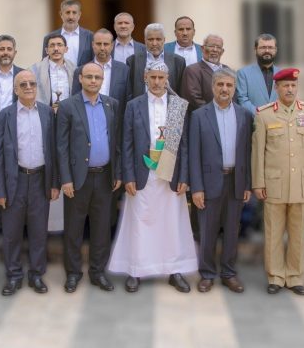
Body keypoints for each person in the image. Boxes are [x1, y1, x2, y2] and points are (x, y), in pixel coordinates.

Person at [108, 59, 197, 293]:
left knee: (172, 224)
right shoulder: (133, 105)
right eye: (153, 77)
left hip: (171, 174)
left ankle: (174, 270)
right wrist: (128, 176)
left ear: (167, 79)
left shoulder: (177, 106)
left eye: (161, 78)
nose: (157, 82)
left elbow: (185, 145)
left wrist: (185, 177)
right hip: (142, 174)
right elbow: (126, 142)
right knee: (140, 222)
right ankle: (136, 270)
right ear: (145, 78)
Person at [252, 68, 304, 295]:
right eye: (285, 86)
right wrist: (258, 183)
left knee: (298, 234)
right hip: (274, 184)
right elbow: (258, 152)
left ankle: (294, 277)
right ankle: (275, 276)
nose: (290, 89)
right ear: (277, 88)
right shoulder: (264, 114)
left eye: (293, 85)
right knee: (273, 233)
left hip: (301, 184)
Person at [0, 70, 58, 295]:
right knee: (11, 233)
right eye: (23, 84)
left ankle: (37, 275)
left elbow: (53, 150)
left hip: (40, 180)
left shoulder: (47, 113)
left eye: (32, 83)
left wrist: (54, 183)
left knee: (39, 232)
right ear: (15, 89)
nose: (28, 87)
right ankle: (13, 276)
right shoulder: (5, 116)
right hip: (15, 181)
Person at [57, 62, 121, 293]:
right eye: (89, 77)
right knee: (73, 229)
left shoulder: (112, 104)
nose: (93, 81)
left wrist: (118, 173)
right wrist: (65, 179)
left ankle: (98, 272)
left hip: (104, 177)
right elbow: (61, 146)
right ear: (80, 79)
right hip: (77, 179)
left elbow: (116, 142)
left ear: (102, 80)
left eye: (97, 77)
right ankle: (73, 273)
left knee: (101, 229)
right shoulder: (67, 106)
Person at [189, 67, 252, 293]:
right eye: (220, 85)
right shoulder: (199, 116)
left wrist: (247, 184)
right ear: (213, 87)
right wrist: (196, 188)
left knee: (232, 231)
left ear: (234, 88)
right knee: (207, 231)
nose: (225, 89)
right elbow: (193, 154)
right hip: (208, 183)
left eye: (229, 85)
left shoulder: (245, 115)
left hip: (236, 181)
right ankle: (207, 274)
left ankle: (229, 273)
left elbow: (248, 152)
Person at [72, 28, 132, 122]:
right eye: (98, 44)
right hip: (87, 121)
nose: (102, 48)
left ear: (112, 46)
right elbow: (75, 100)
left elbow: (128, 100)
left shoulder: (125, 70)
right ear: (93, 45)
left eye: (106, 44)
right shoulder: (80, 70)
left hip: (115, 122)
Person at [127, 23, 186, 98]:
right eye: (150, 39)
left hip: (168, 105)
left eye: (158, 39)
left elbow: (182, 93)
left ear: (164, 40)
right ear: (145, 40)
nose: (154, 43)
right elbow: (129, 92)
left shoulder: (178, 61)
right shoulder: (132, 61)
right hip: (142, 105)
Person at [181, 34, 228, 114]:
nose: (215, 50)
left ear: (222, 51)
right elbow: (194, 99)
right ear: (202, 48)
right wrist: (215, 113)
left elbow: (233, 96)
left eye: (218, 47)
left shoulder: (227, 70)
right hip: (205, 117)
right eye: (211, 46)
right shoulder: (192, 70)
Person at [236, 33, 281, 115]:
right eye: (263, 47)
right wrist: (260, 115)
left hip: (278, 120)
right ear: (255, 49)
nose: (267, 51)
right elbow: (242, 100)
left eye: (270, 47)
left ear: (275, 50)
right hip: (253, 120)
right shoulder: (243, 73)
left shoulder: (282, 74)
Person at [41, 0, 94, 67]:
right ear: (61, 14)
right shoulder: (49, 38)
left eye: (74, 13)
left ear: (79, 14)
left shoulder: (90, 36)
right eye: (68, 12)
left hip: (82, 74)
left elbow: (94, 61)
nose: (71, 17)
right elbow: (45, 64)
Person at [30, 34, 76, 111]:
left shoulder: (74, 69)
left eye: (59, 45)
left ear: (66, 49)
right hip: (43, 113)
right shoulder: (34, 70)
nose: (56, 49)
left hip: (69, 113)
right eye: (52, 45)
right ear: (46, 50)